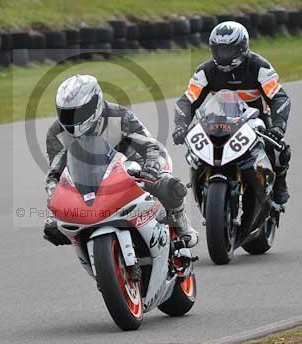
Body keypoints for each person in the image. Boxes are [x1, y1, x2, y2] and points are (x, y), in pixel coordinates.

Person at [42, 74, 199, 247]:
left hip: (132, 170)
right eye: (66, 113)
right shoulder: (56, 133)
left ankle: (180, 223)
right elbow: (55, 176)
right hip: (87, 183)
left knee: (171, 186)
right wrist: (53, 205)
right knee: (54, 228)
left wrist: (152, 167)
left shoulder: (119, 115)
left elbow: (152, 146)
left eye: (79, 112)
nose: (73, 119)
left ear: (96, 103)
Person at [172, 21, 292, 205]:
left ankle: (280, 184)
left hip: (256, 123)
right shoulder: (206, 71)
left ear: (242, 48)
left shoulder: (259, 67)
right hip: (219, 121)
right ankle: (202, 181)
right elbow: (187, 100)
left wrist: (278, 126)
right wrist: (181, 125)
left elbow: (279, 98)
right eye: (219, 50)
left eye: (228, 50)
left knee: (279, 148)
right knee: (197, 153)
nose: (223, 55)